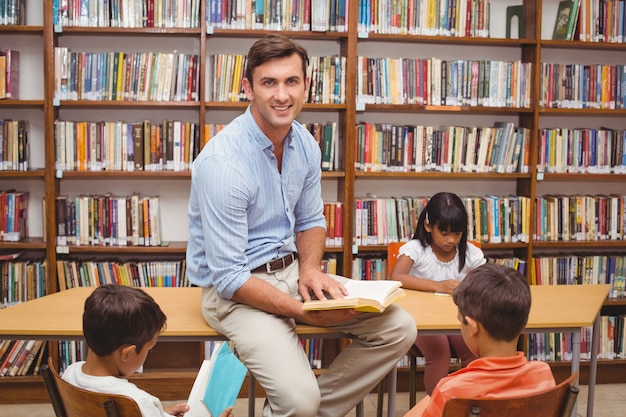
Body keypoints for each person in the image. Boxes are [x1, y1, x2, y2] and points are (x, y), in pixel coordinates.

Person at [186, 34, 416, 417]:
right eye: (269, 82)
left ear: (306, 85)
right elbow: (228, 277)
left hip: (292, 272)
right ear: (248, 89)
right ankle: (300, 410)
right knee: (299, 401)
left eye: (291, 81)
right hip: (236, 294)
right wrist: (300, 310)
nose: (281, 95)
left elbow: (310, 221)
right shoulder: (222, 164)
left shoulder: (306, 145)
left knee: (399, 328)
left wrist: (309, 268)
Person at [404, 263, 556, 417]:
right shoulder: (543, 375)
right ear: (523, 321)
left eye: (460, 321)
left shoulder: (451, 391)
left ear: (472, 328)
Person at [61, 284, 234, 417]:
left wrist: (160, 413)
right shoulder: (137, 401)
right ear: (127, 354)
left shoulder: (69, 374)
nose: (148, 354)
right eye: (149, 349)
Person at [390, 192, 485, 395]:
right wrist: (437, 286)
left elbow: (485, 281)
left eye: (457, 234)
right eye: (444, 233)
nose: (451, 240)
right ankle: (436, 406)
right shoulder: (416, 250)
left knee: (473, 350)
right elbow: (396, 277)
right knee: (440, 353)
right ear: (428, 226)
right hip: (420, 320)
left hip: (455, 319)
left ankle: (469, 403)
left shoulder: (469, 253)